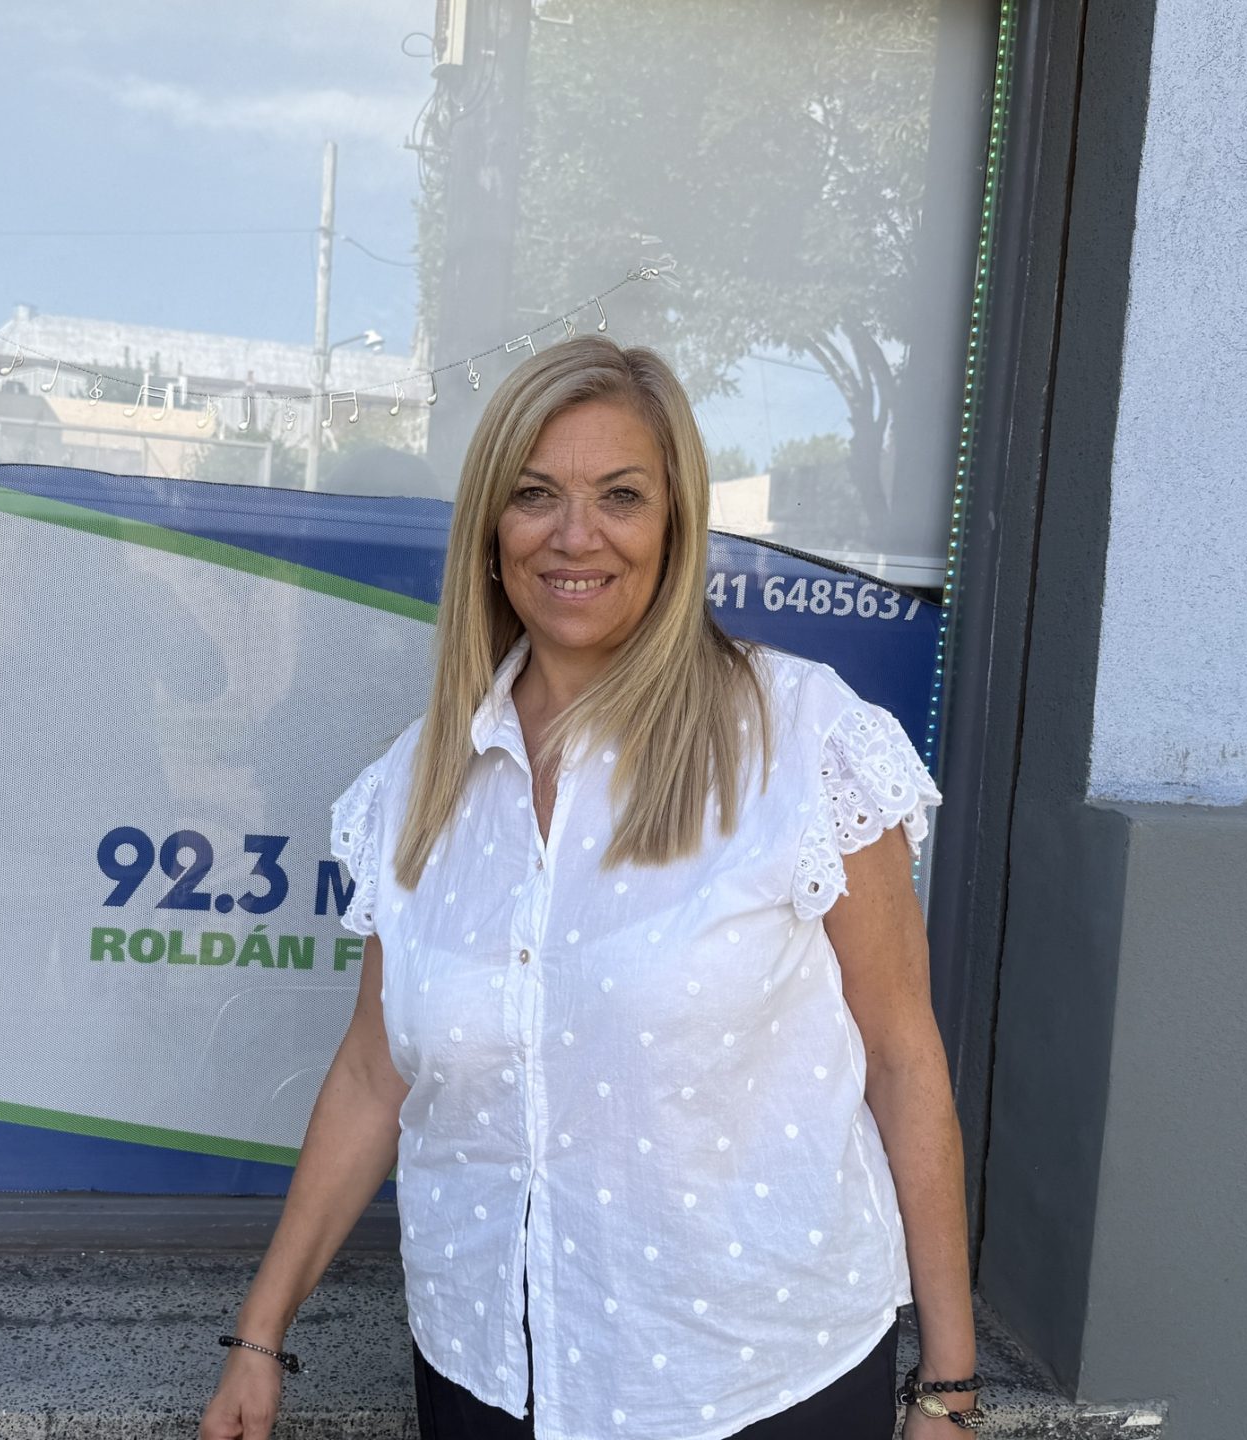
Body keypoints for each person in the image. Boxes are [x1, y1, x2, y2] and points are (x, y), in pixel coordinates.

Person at [199, 337, 979, 1439]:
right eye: (535, 495)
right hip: (487, 1374)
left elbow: (902, 1057)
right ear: (490, 531)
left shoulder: (804, 741)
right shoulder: (415, 786)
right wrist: (260, 1334)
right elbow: (374, 1073)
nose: (576, 535)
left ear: (676, 526)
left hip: (757, 1382)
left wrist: (949, 1384)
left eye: (621, 495)